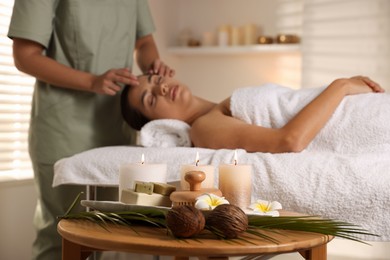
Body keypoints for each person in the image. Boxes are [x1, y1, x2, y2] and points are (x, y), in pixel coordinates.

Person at [7, 1, 174, 260]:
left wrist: (154, 66)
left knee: (114, 235)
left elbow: (144, 43)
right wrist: (92, 81)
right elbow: (25, 56)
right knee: (62, 233)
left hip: (116, 129)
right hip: (63, 127)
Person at [121, 74, 386, 153]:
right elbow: (289, 141)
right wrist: (341, 85)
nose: (162, 88)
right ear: (158, 124)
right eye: (151, 98)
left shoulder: (218, 109)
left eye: (155, 80)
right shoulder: (204, 128)